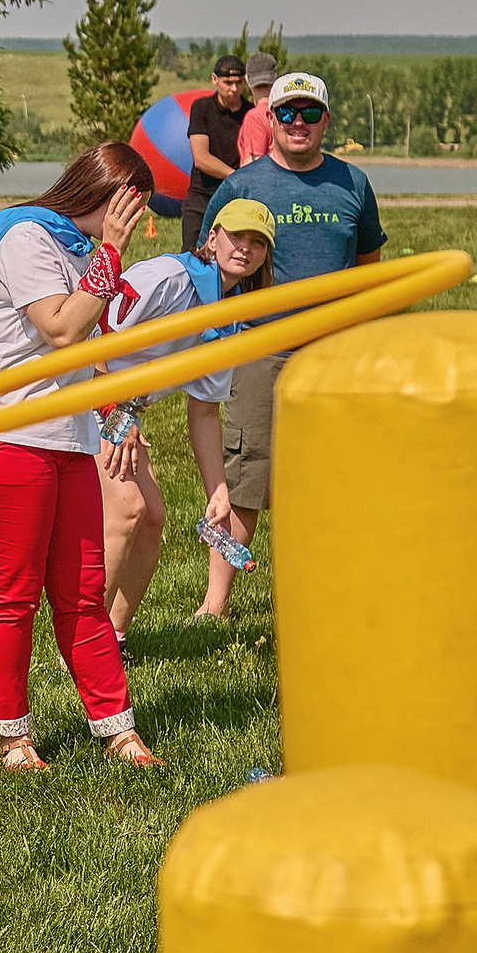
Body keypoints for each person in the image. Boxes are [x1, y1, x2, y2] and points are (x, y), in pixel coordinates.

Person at [0, 144, 161, 773]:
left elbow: (86, 352)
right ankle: (12, 738)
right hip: (6, 439)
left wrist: (115, 408)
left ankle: (117, 729)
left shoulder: (78, 250)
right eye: (133, 205)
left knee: (83, 594)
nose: (138, 219)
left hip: (68, 441)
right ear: (104, 194)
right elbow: (63, 328)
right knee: (14, 593)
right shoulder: (27, 238)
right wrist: (111, 254)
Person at [198, 70, 385, 618]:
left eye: (309, 113)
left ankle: (325, 595)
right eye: (287, 112)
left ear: (325, 120)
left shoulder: (353, 184)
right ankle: (215, 603)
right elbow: (210, 258)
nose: (297, 122)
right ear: (270, 118)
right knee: (246, 473)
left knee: (331, 479)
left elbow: (369, 267)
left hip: (333, 354)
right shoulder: (243, 185)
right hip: (261, 346)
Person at [98, 198, 274, 642]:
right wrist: (114, 410)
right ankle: (82, 648)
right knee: (129, 510)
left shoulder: (227, 315)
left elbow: (204, 410)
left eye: (258, 242)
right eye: (236, 236)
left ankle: (112, 638)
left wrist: (218, 493)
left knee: (151, 519)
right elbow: (92, 333)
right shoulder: (167, 279)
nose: (245, 248)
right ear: (212, 238)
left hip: (123, 410)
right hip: (83, 394)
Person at [181, 53, 249, 248]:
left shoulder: (250, 113)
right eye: (228, 83)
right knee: (191, 254)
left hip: (236, 198)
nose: (234, 89)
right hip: (202, 195)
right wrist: (236, 176)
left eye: (239, 82)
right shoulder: (201, 108)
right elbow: (201, 159)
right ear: (214, 79)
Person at [236, 52, 278, 163]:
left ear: (247, 79)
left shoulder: (255, 117)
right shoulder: (285, 111)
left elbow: (255, 164)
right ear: (276, 77)